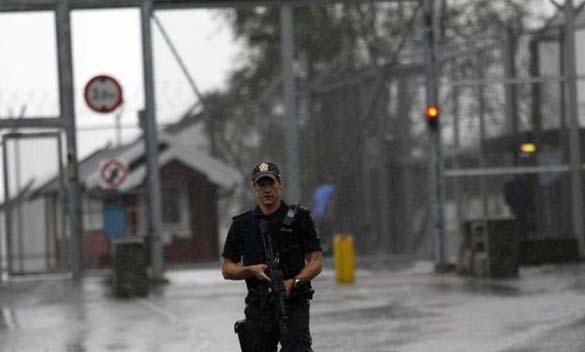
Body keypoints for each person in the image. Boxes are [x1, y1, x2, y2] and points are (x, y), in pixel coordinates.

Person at [222, 161, 323, 352]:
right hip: (259, 306)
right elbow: (227, 268)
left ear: (280, 184)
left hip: (293, 302)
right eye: (262, 185)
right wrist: (249, 270)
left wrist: (294, 281)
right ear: (254, 187)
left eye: (271, 183)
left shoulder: (300, 218)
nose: (267, 190)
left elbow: (316, 261)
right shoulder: (242, 225)